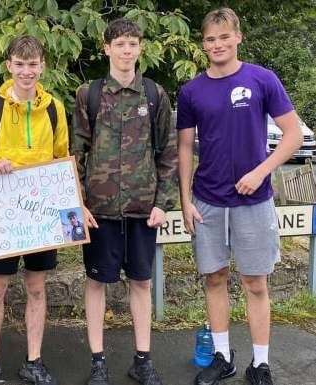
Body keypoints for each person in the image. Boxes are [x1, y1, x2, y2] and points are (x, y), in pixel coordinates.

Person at [177, 8, 302, 385]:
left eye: (224, 37)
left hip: (254, 201)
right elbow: (184, 148)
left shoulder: (262, 79)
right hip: (207, 201)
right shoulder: (191, 91)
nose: (217, 45)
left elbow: (292, 134)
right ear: (204, 44)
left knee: (256, 283)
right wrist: (185, 201)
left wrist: (260, 170)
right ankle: (221, 356)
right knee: (214, 279)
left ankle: (260, 364)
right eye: (210, 39)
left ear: (238, 38)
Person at [71, 18, 178, 385]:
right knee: (96, 282)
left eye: (132, 43)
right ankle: (98, 361)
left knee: (142, 283)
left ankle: (143, 359)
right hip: (98, 212)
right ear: (107, 48)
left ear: (140, 48)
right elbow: (77, 153)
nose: (126, 50)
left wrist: (164, 202)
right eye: (119, 44)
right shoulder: (90, 94)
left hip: (142, 209)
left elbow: (168, 153)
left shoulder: (154, 94)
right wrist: (78, 203)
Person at [0, 35, 69, 385]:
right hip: (2, 217)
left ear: (42, 66)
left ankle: (34, 360)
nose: (27, 71)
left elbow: (62, 161)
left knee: (37, 287)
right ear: (9, 65)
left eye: (33, 64)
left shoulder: (54, 109)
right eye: (20, 64)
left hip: (40, 216)